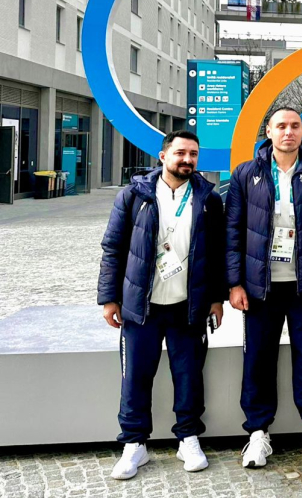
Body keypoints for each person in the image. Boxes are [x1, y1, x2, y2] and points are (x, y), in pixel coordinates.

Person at [97, 130, 225, 480]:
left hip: (188, 305)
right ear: (163, 155)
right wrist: (108, 298)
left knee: (189, 376)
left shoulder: (209, 199)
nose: (187, 159)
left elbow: (216, 254)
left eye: (193, 154)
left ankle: (188, 438)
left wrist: (216, 298)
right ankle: (134, 443)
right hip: (142, 306)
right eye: (180, 153)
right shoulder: (134, 196)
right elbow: (113, 248)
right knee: (136, 377)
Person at [225, 107, 302, 468]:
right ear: (269, 131)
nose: (288, 132)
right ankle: (258, 433)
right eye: (281, 126)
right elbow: (233, 232)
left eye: (294, 126)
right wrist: (234, 283)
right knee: (258, 360)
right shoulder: (246, 173)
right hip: (259, 287)